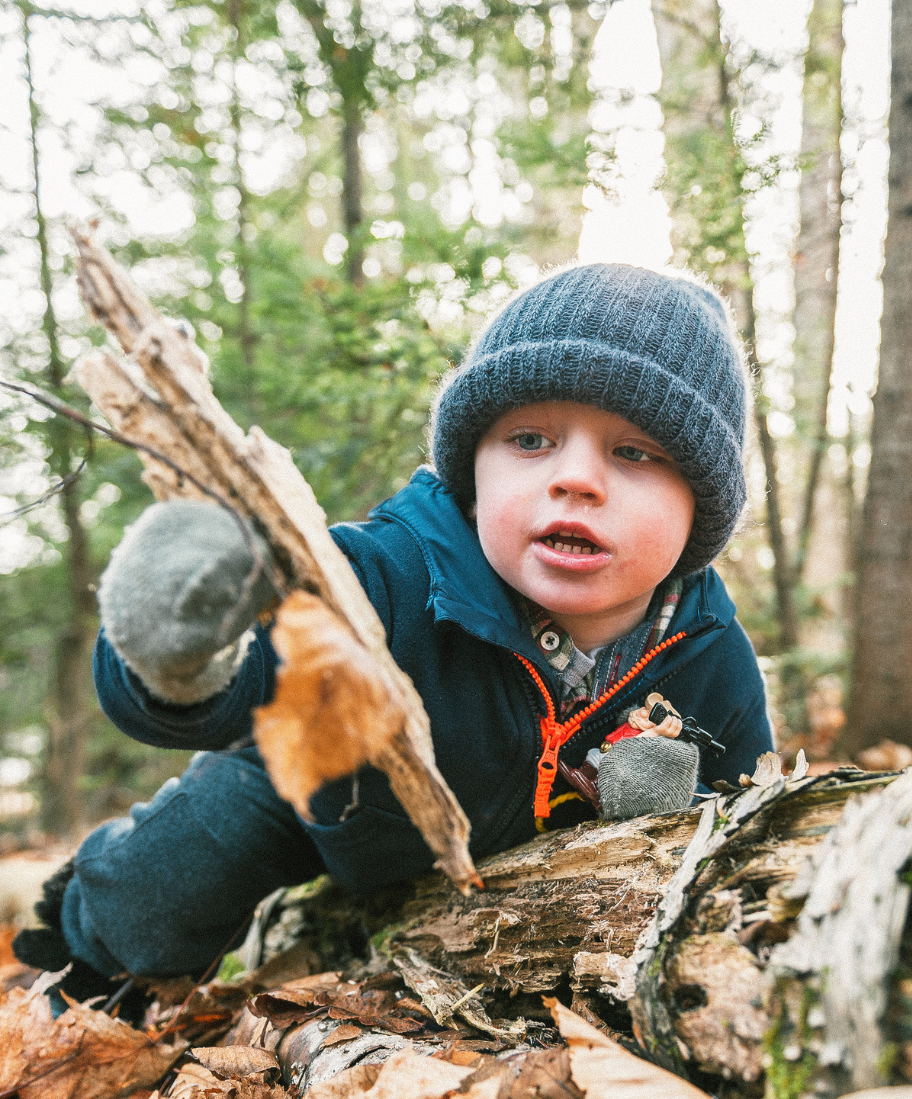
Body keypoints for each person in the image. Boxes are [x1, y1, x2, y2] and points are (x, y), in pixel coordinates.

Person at [14, 262, 773, 997]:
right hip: (330, 796)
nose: (574, 478)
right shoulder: (386, 574)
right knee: (185, 864)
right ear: (472, 465)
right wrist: (174, 653)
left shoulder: (707, 653)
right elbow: (223, 687)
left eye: (634, 452)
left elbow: (751, 818)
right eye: (531, 441)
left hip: (503, 885)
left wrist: (683, 809)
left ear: (700, 509)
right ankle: (87, 959)